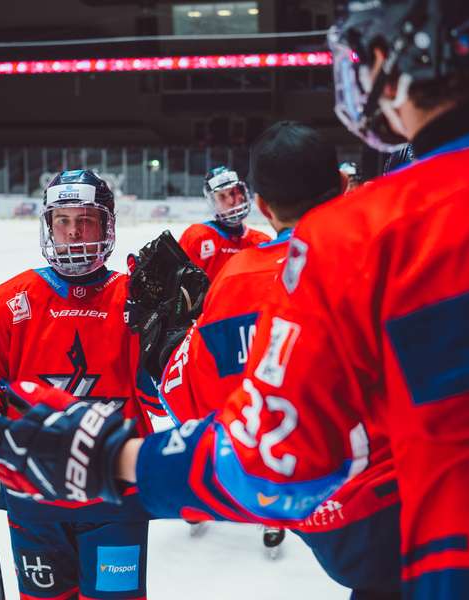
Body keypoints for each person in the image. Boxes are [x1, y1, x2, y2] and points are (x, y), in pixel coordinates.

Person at [0, 1, 469, 598]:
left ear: (399, 64)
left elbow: (274, 460)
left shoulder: (355, 239)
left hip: (463, 567)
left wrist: (113, 457)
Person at [156, 121, 401, 592]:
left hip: (320, 504)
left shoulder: (235, 279)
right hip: (421, 494)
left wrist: (172, 348)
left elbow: (193, 405)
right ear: (345, 184)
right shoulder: (386, 248)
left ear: (262, 205)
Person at [0, 169, 162, 600]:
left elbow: (160, 396)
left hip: (114, 492)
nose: (74, 231)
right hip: (32, 493)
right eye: (62, 220)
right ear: (48, 226)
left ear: (108, 224)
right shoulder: (9, 301)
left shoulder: (134, 300)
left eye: (86, 219)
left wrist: (172, 334)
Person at [178, 166, 270, 280]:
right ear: (213, 202)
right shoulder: (197, 237)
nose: (231, 201)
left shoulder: (262, 242)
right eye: (222, 196)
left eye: (233, 192)